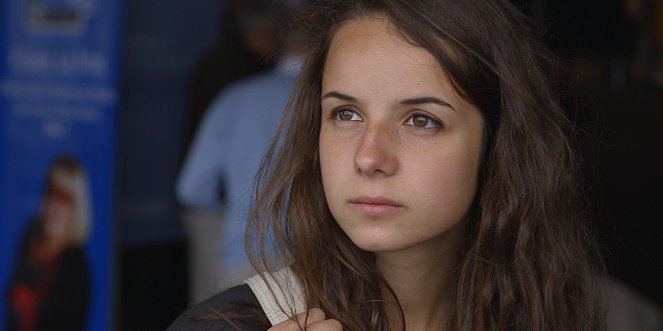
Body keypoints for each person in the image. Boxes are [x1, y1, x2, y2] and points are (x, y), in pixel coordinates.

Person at [168, 0, 605, 330]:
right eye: (346, 114)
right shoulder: (226, 325)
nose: (368, 156)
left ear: (499, 143)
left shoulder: (555, 312)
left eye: (421, 120)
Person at [176, 0, 304, 303]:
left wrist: (241, 210)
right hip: (317, 261)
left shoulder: (237, 97)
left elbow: (191, 188)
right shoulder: (335, 101)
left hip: (244, 254)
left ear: (278, 41)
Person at [6, 154, 91, 331]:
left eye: (64, 199)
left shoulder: (75, 265)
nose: (54, 205)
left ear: (76, 208)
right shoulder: (31, 239)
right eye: (50, 193)